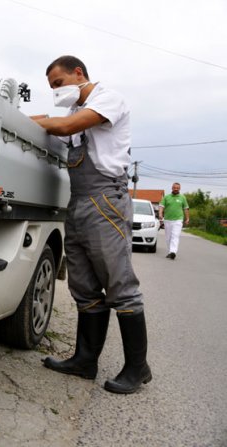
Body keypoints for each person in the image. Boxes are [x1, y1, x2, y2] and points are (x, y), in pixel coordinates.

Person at [32, 56, 151, 394]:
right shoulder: (71, 114)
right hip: (80, 201)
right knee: (83, 285)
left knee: (119, 284)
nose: (56, 91)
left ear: (78, 74)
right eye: (51, 87)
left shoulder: (108, 100)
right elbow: (52, 122)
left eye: (58, 83)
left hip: (105, 200)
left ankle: (137, 368)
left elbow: (65, 128)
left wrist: (39, 121)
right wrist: (20, 118)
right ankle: (85, 360)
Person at [158, 182, 190, 259]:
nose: (176, 189)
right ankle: (170, 252)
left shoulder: (182, 198)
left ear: (179, 189)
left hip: (178, 220)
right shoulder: (166, 197)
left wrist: (187, 218)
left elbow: (186, 208)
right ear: (172, 188)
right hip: (168, 220)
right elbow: (161, 206)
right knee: (168, 237)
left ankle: (173, 252)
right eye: (174, 187)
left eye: (177, 188)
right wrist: (160, 214)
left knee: (175, 236)